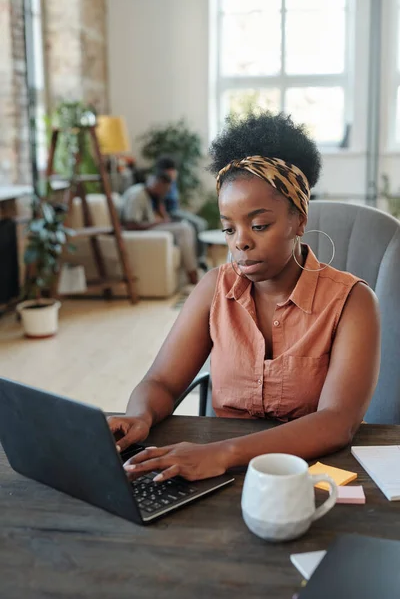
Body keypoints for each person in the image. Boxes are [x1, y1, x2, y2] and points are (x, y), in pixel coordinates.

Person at [109, 111, 380, 484]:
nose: (241, 242)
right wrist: (140, 416)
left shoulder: (353, 302)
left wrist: (223, 454)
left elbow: (338, 422)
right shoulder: (214, 288)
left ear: (299, 220)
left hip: (309, 477)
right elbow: (162, 383)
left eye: (258, 225)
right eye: (228, 228)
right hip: (213, 472)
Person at [120, 172, 198, 285]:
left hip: (149, 228)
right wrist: (158, 222)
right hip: (137, 232)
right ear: (157, 184)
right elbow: (130, 225)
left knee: (185, 226)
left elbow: (162, 216)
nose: (166, 193)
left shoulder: (152, 195)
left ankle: (192, 272)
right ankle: (193, 276)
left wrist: (161, 207)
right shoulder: (138, 195)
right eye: (165, 189)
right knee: (184, 230)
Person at [155, 156, 208, 269]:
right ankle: (200, 259)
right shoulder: (163, 182)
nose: (174, 172)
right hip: (171, 213)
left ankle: (201, 257)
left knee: (201, 223)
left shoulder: (172, 182)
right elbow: (160, 202)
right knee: (198, 224)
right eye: (171, 170)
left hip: (177, 210)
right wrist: (164, 218)